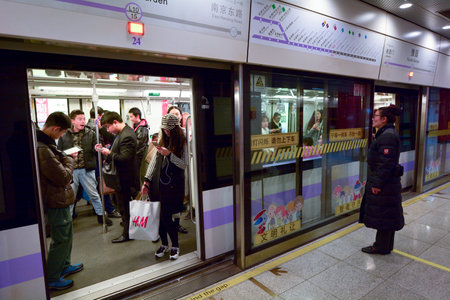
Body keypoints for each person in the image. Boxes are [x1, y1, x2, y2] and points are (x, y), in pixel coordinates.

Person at [36, 112, 83, 290]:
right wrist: (70, 161)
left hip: (60, 198)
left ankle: (64, 266)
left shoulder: (47, 145)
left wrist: (65, 160)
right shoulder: (43, 149)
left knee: (67, 235)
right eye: (61, 133)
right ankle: (53, 277)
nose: (61, 136)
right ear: (56, 129)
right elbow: (63, 177)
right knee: (61, 239)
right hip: (55, 200)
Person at [142, 114, 188, 260]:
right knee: (159, 216)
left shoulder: (183, 142)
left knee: (169, 217)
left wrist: (169, 155)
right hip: (158, 184)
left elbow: (184, 164)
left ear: (175, 129)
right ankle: (164, 243)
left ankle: (175, 245)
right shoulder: (162, 140)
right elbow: (154, 163)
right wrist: (146, 181)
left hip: (174, 186)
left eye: (169, 130)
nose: (166, 132)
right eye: (164, 130)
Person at [359, 105, 404, 255]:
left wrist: (377, 184)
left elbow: (385, 163)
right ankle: (385, 245)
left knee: (383, 214)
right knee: (387, 214)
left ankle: (380, 247)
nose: (373, 119)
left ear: (384, 119)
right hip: (388, 183)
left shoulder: (387, 136)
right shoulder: (386, 134)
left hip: (384, 184)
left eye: (376, 116)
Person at [58, 110, 113, 226]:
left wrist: (98, 148)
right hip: (71, 170)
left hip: (87, 169)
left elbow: (95, 150)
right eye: (79, 119)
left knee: (94, 194)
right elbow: (59, 153)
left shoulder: (91, 133)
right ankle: (68, 219)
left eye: (84, 118)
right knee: (70, 197)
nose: (83, 121)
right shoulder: (64, 135)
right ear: (73, 121)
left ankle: (101, 216)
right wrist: (67, 155)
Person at [96, 111, 139, 243]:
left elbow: (124, 158)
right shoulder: (122, 133)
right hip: (122, 178)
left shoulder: (127, 136)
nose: (108, 130)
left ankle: (127, 234)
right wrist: (105, 150)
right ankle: (128, 229)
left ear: (115, 122)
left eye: (108, 127)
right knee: (123, 207)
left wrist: (108, 153)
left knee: (125, 207)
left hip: (125, 179)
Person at [86, 107, 121, 219]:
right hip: (98, 161)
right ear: (99, 116)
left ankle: (101, 208)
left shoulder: (87, 127)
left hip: (91, 162)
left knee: (96, 187)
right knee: (104, 185)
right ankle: (109, 209)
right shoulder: (95, 129)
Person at [167, 106, 189, 234]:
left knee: (179, 200)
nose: (175, 117)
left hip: (179, 171)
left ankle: (177, 223)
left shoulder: (185, 133)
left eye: (177, 114)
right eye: (172, 114)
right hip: (166, 173)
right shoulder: (164, 133)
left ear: (181, 117)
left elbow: (184, 161)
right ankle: (167, 224)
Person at [128, 107, 149, 185]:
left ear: (137, 116)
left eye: (131, 117)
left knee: (141, 175)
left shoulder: (142, 128)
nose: (130, 119)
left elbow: (139, 143)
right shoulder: (135, 126)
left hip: (141, 155)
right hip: (137, 155)